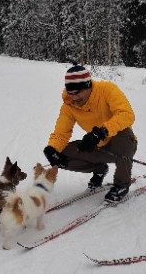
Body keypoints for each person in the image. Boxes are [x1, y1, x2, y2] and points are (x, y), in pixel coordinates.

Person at [43, 65, 137, 202]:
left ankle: (122, 185)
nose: (75, 97)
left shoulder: (107, 90)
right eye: (71, 93)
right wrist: (52, 148)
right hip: (97, 146)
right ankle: (99, 169)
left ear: (88, 86)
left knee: (123, 132)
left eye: (78, 92)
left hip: (122, 145)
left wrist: (102, 132)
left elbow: (127, 115)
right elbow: (61, 133)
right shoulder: (69, 105)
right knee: (62, 155)